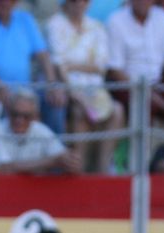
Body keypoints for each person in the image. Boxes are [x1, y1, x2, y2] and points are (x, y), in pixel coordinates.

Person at [48, 0, 123, 173]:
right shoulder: (55, 24)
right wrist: (75, 93)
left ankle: (103, 167)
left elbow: (101, 67)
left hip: (95, 91)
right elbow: (59, 66)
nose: (79, 4)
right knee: (80, 111)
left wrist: (71, 65)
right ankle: (78, 170)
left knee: (117, 111)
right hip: (69, 91)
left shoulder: (96, 27)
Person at [106, 0, 164, 129]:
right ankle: (142, 149)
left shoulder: (162, 17)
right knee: (145, 105)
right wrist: (145, 92)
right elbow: (114, 69)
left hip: (158, 83)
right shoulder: (116, 20)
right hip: (129, 86)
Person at [0, 87, 80, 173]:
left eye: (26, 116)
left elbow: (62, 156)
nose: (19, 120)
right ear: (8, 111)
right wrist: (52, 162)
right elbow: (3, 167)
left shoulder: (40, 129)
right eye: (15, 114)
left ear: (35, 116)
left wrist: (70, 161)